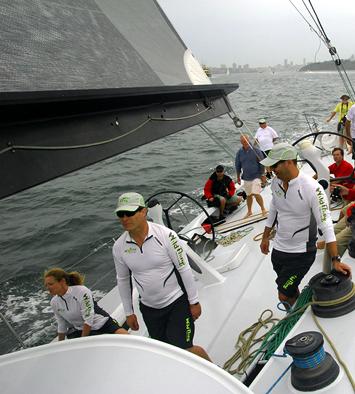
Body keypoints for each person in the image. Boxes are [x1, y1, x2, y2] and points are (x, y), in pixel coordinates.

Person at [112, 192, 211, 361]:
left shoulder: (166, 236)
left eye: (129, 213)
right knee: (164, 351)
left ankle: (216, 373)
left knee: (183, 347)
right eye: (121, 214)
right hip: (149, 310)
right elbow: (123, 280)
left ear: (143, 212)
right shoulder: (119, 246)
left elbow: (184, 269)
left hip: (176, 304)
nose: (125, 218)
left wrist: (193, 302)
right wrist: (129, 313)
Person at [259, 143, 351, 309]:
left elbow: (327, 226)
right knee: (290, 288)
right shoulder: (276, 183)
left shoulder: (312, 188)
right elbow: (274, 207)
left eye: (274, 165)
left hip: (301, 253)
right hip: (279, 250)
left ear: (289, 162)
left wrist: (335, 260)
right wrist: (266, 236)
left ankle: (290, 317)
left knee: (283, 294)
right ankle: (298, 311)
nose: (272, 169)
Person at [45, 268, 129, 341]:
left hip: (102, 322)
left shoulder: (81, 292)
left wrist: (83, 341)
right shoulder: (54, 302)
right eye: (46, 285)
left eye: (51, 284)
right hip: (81, 330)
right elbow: (61, 323)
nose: (47, 288)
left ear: (62, 281)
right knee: (108, 341)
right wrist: (60, 346)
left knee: (127, 338)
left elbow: (89, 318)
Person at [235, 134, 267, 218]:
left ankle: (263, 209)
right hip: (246, 176)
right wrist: (238, 177)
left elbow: (262, 163)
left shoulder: (256, 150)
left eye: (247, 140)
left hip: (256, 175)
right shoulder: (239, 153)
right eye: (244, 141)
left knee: (255, 192)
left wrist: (263, 175)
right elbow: (238, 165)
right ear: (242, 142)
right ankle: (249, 211)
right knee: (248, 195)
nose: (246, 142)